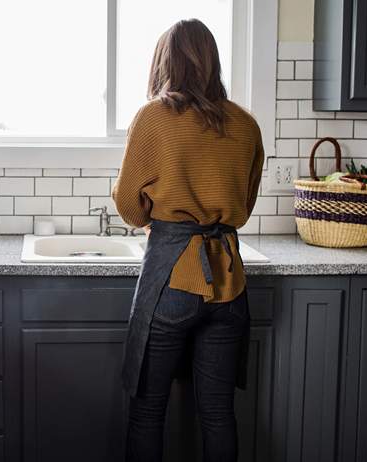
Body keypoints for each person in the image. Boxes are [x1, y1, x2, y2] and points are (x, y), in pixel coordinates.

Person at [112, 18, 265, 462]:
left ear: (166, 63)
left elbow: (128, 207)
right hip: (229, 284)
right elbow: (245, 205)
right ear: (212, 62)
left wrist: (155, 211)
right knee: (218, 415)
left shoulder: (155, 117)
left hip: (172, 279)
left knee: (147, 412)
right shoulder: (246, 125)